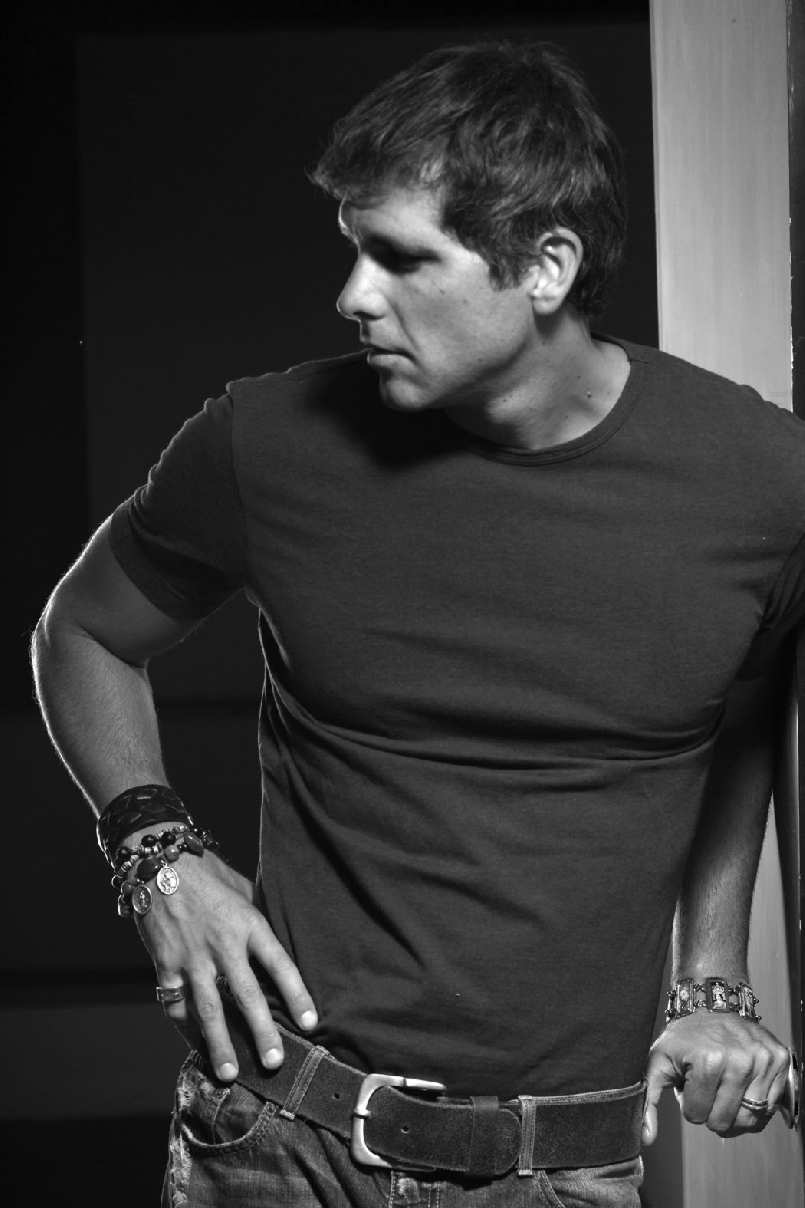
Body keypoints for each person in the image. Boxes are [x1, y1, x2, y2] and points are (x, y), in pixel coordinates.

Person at [32, 39, 801, 1208]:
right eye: (355, 248)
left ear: (545, 267)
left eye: (400, 256)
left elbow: (745, 708)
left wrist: (710, 984)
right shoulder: (263, 444)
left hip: (559, 1166)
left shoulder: (762, 482)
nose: (353, 294)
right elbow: (80, 632)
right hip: (278, 1135)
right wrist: (159, 858)